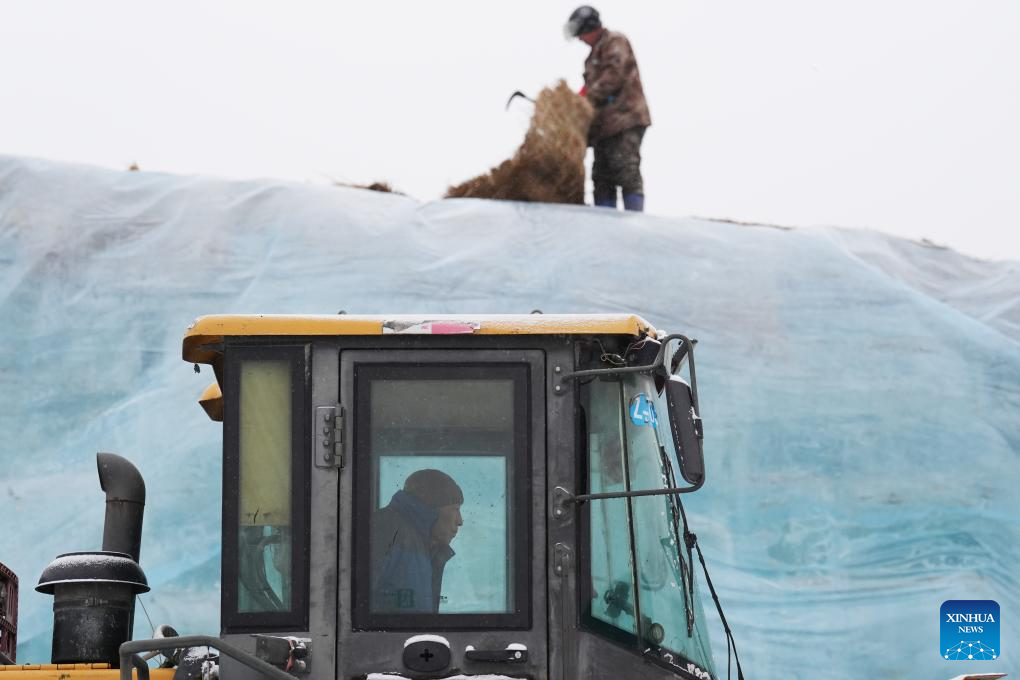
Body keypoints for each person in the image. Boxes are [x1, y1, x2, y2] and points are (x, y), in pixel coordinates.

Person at [565, 5, 652, 212]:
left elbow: (613, 76)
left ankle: (635, 223)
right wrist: (574, 102)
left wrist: (584, 100)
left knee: (625, 169)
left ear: (590, 28)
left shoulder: (615, 42)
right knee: (602, 177)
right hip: (604, 127)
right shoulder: (591, 58)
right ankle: (605, 228)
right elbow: (589, 87)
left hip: (625, 119)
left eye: (581, 34)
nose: (579, 39)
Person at [370, 468, 464, 613]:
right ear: (431, 508)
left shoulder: (422, 546)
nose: (460, 521)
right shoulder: (386, 529)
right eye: (456, 509)